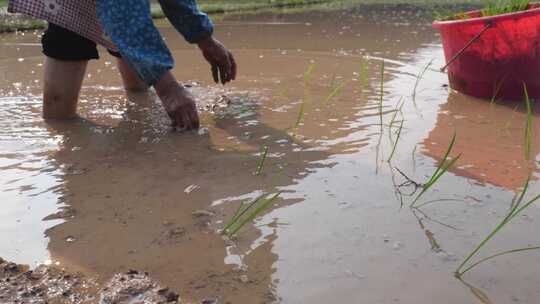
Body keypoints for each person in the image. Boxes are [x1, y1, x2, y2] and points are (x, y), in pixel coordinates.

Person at [15, 0, 236, 130]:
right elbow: (124, 17)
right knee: (58, 116)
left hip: (126, 8)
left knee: (140, 89)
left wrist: (205, 39)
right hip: (72, 5)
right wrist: (168, 88)